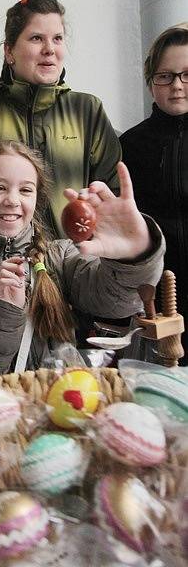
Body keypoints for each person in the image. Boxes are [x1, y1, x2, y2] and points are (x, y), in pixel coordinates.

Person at [0, 141, 164, 388]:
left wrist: (133, 254)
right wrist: (1, 313)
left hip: (65, 408)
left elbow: (116, 301)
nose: (12, 200)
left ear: (37, 199)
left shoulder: (60, 257)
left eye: (25, 190)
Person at [0, 0, 122, 249]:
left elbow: (111, 196)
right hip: (3, 274)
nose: (50, 49)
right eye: (36, 38)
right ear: (9, 51)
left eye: (58, 38)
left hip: (79, 267)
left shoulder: (87, 110)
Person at [121, 23, 188, 364]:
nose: (177, 85)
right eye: (165, 75)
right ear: (150, 82)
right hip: (159, 300)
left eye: (186, 74)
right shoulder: (130, 146)